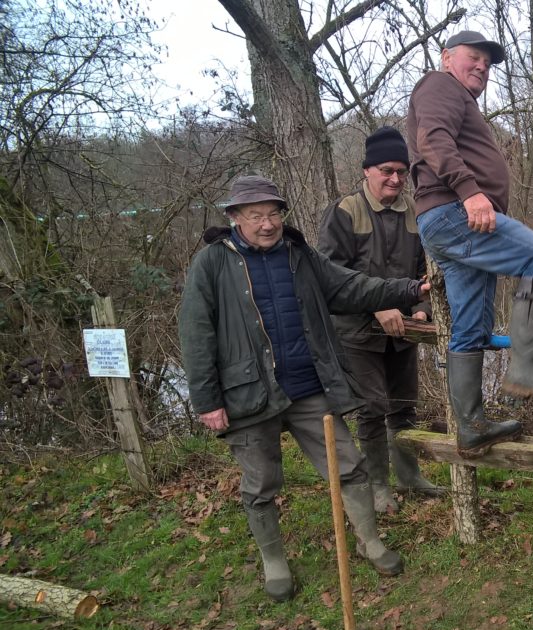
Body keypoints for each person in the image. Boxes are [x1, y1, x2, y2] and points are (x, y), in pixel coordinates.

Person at [179, 175, 430, 602]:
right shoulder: (212, 264)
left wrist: (410, 288)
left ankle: (371, 542)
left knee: (349, 466)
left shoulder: (300, 255)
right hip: (248, 393)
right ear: (235, 218)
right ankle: (274, 562)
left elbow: (351, 286)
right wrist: (207, 400)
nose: (266, 224)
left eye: (273, 214)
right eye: (255, 215)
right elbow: (196, 332)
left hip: (308, 387)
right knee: (260, 484)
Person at [406, 30, 533, 459]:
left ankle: (471, 426)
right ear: (447, 57)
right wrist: (470, 190)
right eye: (473, 56)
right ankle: (525, 368)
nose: (482, 65)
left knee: (470, 329)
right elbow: (433, 139)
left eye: (487, 61)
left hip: (452, 218)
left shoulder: (460, 99)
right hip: (457, 212)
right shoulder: (439, 85)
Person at [318, 126, 443, 514]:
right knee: (372, 410)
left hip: (403, 332)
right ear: (367, 172)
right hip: (358, 333)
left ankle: (409, 475)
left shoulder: (416, 215)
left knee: (404, 406)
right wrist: (376, 305)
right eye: (386, 170)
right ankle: (378, 486)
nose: (395, 179)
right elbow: (330, 274)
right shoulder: (344, 212)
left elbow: (428, 272)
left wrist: (423, 310)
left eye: (401, 172)